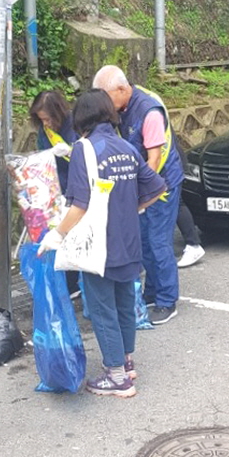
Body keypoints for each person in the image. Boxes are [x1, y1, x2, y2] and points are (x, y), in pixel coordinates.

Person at [38, 89, 165, 397]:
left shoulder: (85, 148)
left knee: (101, 306)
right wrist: (128, 209)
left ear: (81, 116)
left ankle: (117, 377)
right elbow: (156, 187)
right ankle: (126, 360)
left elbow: (80, 204)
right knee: (124, 302)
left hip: (100, 242)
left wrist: (56, 235)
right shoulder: (125, 146)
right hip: (129, 238)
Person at [92, 65, 184, 324]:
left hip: (161, 186)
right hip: (140, 187)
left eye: (107, 98)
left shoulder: (149, 111)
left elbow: (154, 158)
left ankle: (167, 300)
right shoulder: (122, 106)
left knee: (158, 242)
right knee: (143, 241)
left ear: (121, 89)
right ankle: (152, 292)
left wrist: (142, 193)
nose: (104, 106)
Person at [29, 89, 80, 297]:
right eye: (41, 120)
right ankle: (70, 284)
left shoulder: (75, 124)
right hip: (56, 187)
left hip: (76, 187)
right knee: (60, 237)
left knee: (75, 236)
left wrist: (70, 150)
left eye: (48, 119)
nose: (46, 124)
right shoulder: (44, 131)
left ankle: (79, 282)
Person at [175, 142, 204, 267]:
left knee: (177, 203)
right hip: (172, 161)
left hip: (170, 164)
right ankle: (193, 243)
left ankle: (193, 244)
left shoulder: (152, 122)